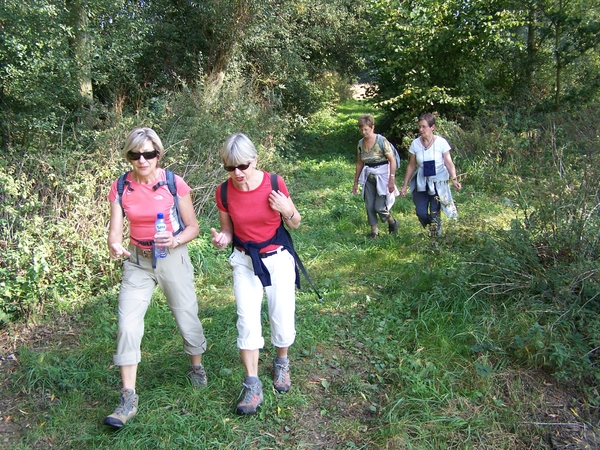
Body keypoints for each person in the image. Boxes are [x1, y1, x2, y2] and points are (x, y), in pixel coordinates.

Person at [104, 127, 207, 429]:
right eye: (135, 154)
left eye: (148, 154)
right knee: (127, 323)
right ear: (129, 156)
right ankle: (128, 396)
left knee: (186, 314)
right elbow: (114, 230)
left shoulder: (174, 183)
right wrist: (114, 244)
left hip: (171, 256)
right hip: (138, 260)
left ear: (158, 155)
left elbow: (193, 227)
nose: (142, 160)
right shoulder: (121, 186)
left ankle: (197, 366)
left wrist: (175, 241)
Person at [210, 133, 301, 415]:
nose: (237, 173)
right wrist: (223, 239)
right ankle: (252, 383)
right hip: (245, 260)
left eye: (243, 166)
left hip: (277, 257)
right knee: (247, 319)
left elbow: (296, 223)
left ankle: (281, 363)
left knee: (282, 315)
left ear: (255, 160)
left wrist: (287, 210)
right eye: (230, 167)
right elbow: (227, 229)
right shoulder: (223, 192)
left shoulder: (274, 183)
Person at [399, 113, 462, 236]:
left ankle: (435, 237)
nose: (421, 130)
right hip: (422, 182)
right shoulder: (415, 144)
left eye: (424, 127)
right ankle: (433, 227)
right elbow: (411, 165)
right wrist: (404, 185)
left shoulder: (441, 143)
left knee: (434, 211)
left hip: (439, 181)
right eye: (419, 127)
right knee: (421, 212)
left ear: (432, 127)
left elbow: (448, 163)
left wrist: (454, 179)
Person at [352, 114, 399, 239]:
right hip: (369, 176)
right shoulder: (360, 143)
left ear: (372, 127)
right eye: (361, 129)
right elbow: (359, 162)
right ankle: (374, 232)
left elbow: (392, 160)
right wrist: (355, 182)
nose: (363, 132)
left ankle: (392, 222)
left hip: (383, 176)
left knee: (379, 207)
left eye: (366, 129)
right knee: (369, 205)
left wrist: (391, 179)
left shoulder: (381, 141)